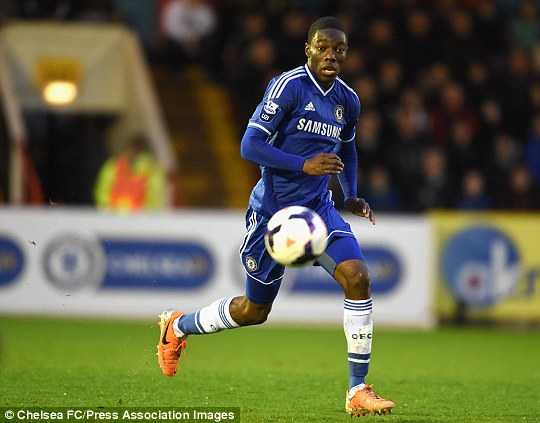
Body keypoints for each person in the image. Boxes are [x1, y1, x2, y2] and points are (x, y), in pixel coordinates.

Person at [156, 17, 395, 417]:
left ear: (346, 54)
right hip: (274, 216)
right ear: (308, 50)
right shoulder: (288, 87)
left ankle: (357, 390)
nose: (330, 55)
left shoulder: (348, 100)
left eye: (339, 49)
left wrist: (350, 195)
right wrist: (304, 165)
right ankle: (177, 327)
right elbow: (249, 146)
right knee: (254, 311)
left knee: (358, 277)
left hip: (319, 212)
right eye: (323, 47)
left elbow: (347, 150)